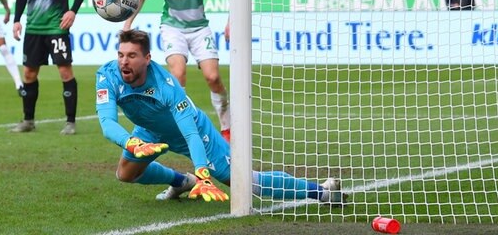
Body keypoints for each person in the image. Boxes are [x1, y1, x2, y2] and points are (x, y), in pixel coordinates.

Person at [95, 29, 346, 204]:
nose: (123, 62)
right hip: (148, 131)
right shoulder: (108, 76)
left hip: (193, 132)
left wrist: (203, 173)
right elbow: (107, 123)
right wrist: (131, 142)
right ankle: (182, 181)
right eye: (120, 55)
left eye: (131, 56)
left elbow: (191, 132)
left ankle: (322, 191)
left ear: (147, 59)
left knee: (246, 184)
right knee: (125, 174)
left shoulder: (167, 86)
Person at [123, 0, 231, 142]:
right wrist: (127, 24)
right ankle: (181, 125)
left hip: (200, 29)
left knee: (213, 78)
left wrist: (232, 22)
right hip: (172, 28)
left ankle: (227, 126)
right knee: (178, 74)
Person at [11, 0, 86, 135]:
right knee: (29, 74)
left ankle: (70, 122)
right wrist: (17, 19)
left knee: (64, 71)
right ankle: (28, 121)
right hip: (34, 27)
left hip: (56, 27)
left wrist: (73, 11)